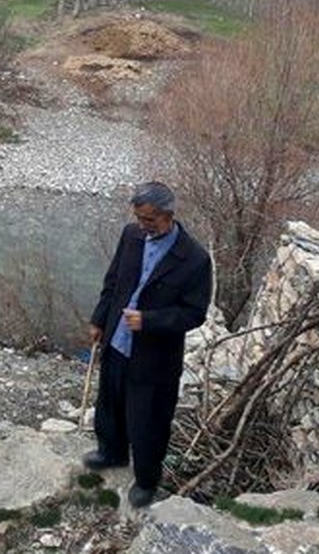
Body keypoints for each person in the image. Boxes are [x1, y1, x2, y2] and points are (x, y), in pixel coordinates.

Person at [84, 181, 212, 509]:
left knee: (148, 420)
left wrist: (150, 321)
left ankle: (146, 480)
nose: (143, 225)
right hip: (117, 340)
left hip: (155, 357)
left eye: (149, 220)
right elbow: (113, 281)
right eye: (139, 218)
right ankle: (110, 452)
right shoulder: (131, 236)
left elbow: (194, 313)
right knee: (110, 401)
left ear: (168, 217)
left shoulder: (194, 259)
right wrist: (100, 320)